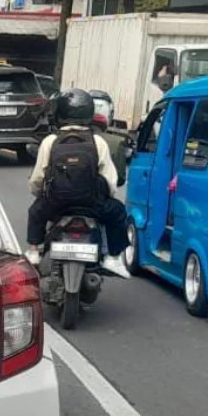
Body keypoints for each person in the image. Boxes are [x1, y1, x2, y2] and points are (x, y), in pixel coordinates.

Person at [26, 89, 131, 279]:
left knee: (35, 212)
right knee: (118, 213)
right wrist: (105, 200)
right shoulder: (98, 142)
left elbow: (37, 180)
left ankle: (34, 251)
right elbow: (110, 181)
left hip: (56, 205)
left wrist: (41, 196)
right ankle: (113, 258)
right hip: (91, 205)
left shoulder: (50, 141)